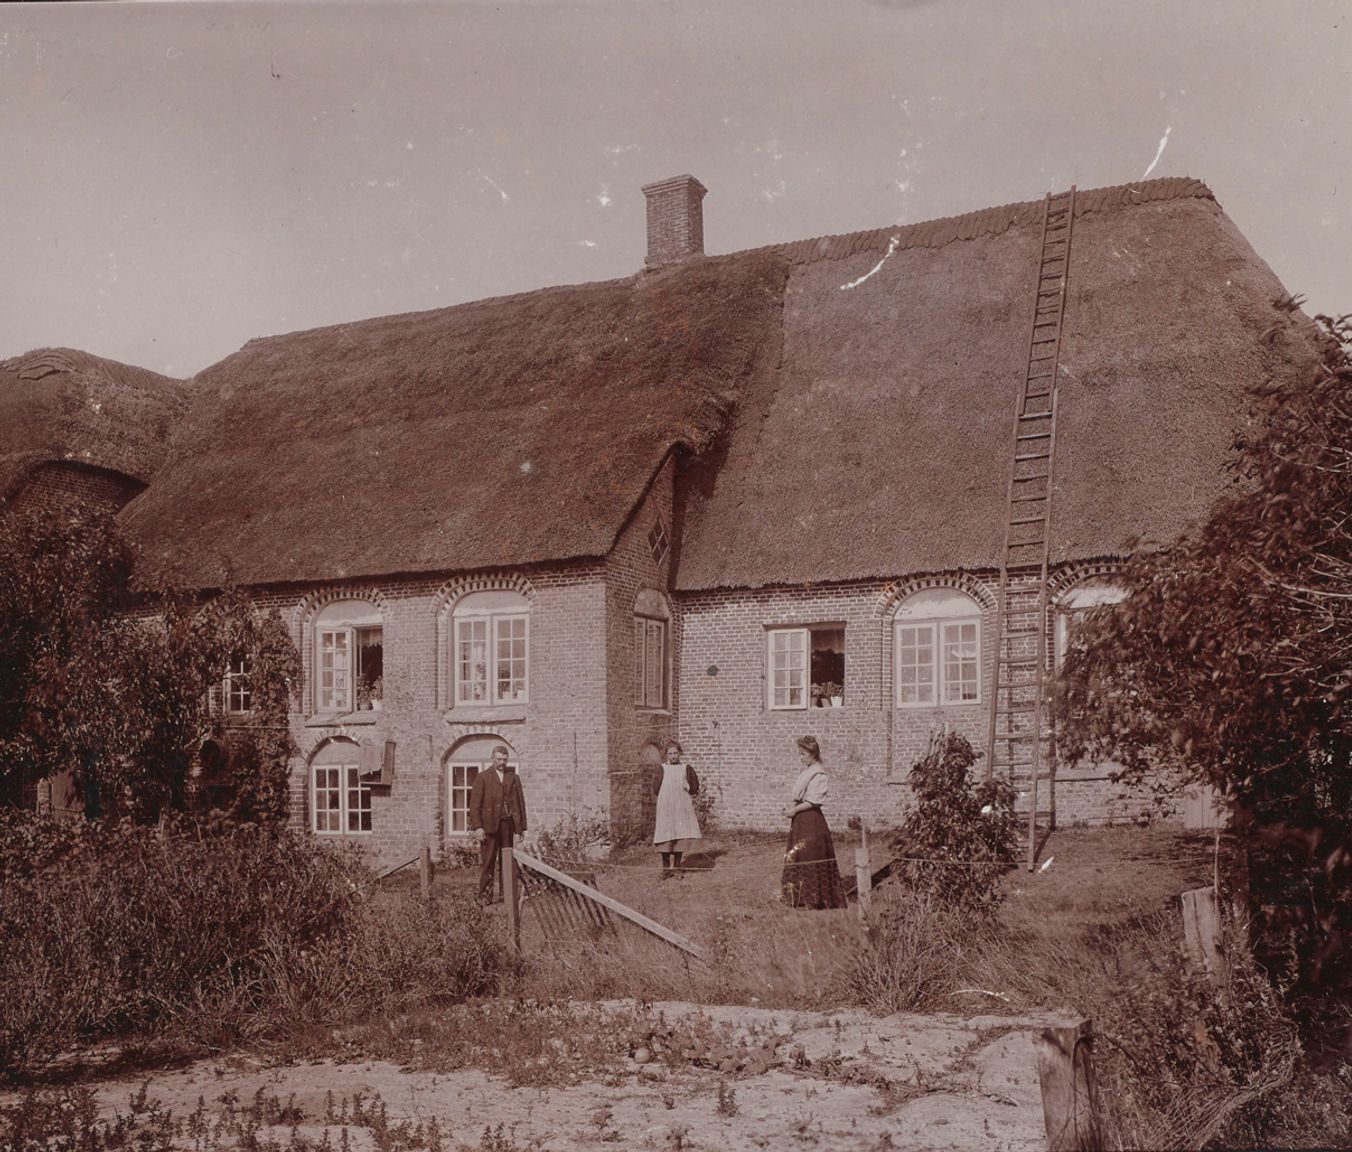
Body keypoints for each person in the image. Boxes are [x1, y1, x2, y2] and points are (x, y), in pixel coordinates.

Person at [780, 735, 846, 909]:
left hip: (811, 819)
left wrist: (794, 810)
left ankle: (815, 898)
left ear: (813, 753)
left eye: (803, 754)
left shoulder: (819, 773)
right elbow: (801, 797)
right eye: (799, 754)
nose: (800, 758)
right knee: (799, 856)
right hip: (801, 819)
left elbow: (813, 801)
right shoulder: (808, 771)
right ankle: (799, 897)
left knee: (810, 856)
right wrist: (792, 809)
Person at [468, 745, 528, 903]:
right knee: (488, 862)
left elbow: (519, 803)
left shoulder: (513, 777)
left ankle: (506, 896)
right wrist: (478, 827)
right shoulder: (483, 777)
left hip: (507, 826)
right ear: (492, 758)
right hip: (489, 827)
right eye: (499, 759)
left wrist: (520, 828)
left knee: (507, 861)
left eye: (505, 759)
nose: (502, 762)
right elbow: (474, 805)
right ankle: (485, 896)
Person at [653, 740, 702, 877]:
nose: (673, 756)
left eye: (675, 753)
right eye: (670, 754)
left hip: (681, 806)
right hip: (666, 807)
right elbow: (656, 788)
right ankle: (666, 869)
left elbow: (695, 787)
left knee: (680, 834)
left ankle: (677, 867)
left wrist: (688, 787)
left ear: (679, 753)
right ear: (666, 755)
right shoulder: (661, 769)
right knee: (666, 835)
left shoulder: (686, 768)